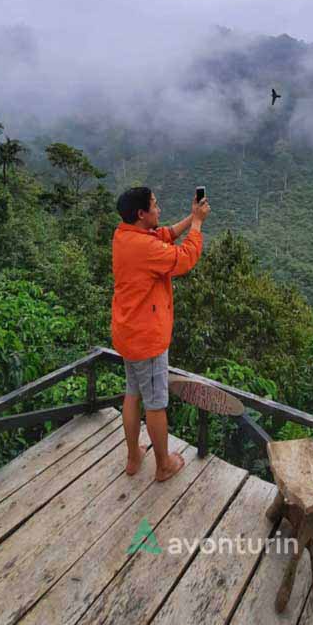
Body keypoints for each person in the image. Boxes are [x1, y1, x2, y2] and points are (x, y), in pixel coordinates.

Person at [112, 186, 210, 481]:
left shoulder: (124, 235)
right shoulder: (146, 248)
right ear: (142, 214)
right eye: (154, 205)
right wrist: (197, 224)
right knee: (155, 404)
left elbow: (163, 235)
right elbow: (185, 258)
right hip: (147, 339)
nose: (159, 209)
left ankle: (133, 457)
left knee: (133, 393)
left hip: (127, 332)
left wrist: (191, 217)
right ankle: (163, 465)